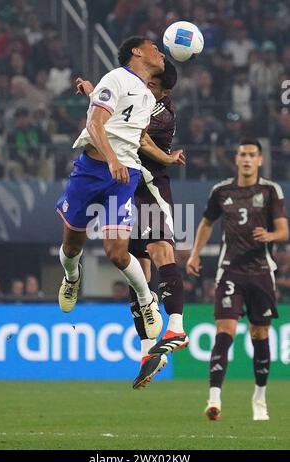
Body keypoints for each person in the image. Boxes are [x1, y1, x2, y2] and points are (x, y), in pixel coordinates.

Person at [56, 36, 165, 341]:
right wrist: (112, 158)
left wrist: (167, 157)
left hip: (124, 176)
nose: (160, 52)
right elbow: (95, 123)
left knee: (117, 253)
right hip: (91, 170)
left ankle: (147, 300)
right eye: (153, 47)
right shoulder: (116, 77)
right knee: (71, 248)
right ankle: (72, 277)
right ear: (136, 51)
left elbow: (132, 132)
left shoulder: (147, 95)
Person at [186, 138, 289, 421]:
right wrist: (194, 254)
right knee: (225, 331)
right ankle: (214, 398)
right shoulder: (221, 191)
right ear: (236, 159)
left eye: (251, 155)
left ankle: (259, 397)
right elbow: (206, 222)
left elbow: (283, 230)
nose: (246, 159)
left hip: (261, 272)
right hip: (230, 270)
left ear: (259, 160)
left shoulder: (270, 190)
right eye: (242, 154)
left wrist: (270, 236)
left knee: (260, 335)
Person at [128, 60, 189, 389]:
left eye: (152, 84)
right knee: (134, 269)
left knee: (160, 249)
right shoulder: (139, 95)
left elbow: (132, 135)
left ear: (164, 91)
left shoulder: (161, 113)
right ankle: (148, 352)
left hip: (150, 188)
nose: (145, 86)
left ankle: (177, 326)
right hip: (124, 188)